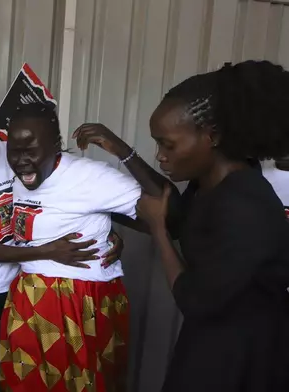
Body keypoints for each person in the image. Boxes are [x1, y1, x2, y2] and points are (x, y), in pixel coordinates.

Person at [86, 61, 289, 391]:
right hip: (212, 337)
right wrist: (121, 152)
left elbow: (194, 299)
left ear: (212, 136)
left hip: (244, 356)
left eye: (168, 144)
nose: (160, 156)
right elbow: (177, 214)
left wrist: (157, 231)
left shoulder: (245, 206)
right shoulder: (210, 181)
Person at [0, 83, 124, 392]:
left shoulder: (20, 148)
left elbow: (64, 199)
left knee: (18, 370)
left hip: (24, 284)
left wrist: (105, 232)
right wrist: (50, 251)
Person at [0, 102, 175, 392]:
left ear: (55, 145)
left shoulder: (90, 176)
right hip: (29, 299)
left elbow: (164, 210)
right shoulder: (20, 176)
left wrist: (122, 150)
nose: (21, 161)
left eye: (31, 150)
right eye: (14, 151)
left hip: (83, 301)